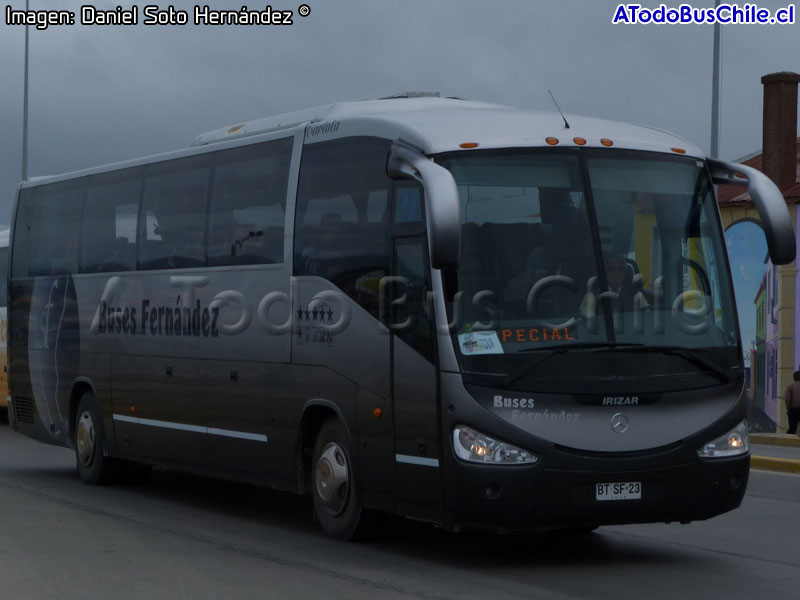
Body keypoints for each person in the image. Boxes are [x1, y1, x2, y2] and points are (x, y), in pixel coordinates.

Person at [785, 370, 800, 435]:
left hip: (793, 411)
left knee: (792, 429)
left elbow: (787, 399)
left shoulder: (790, 386)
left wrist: (789, 409)